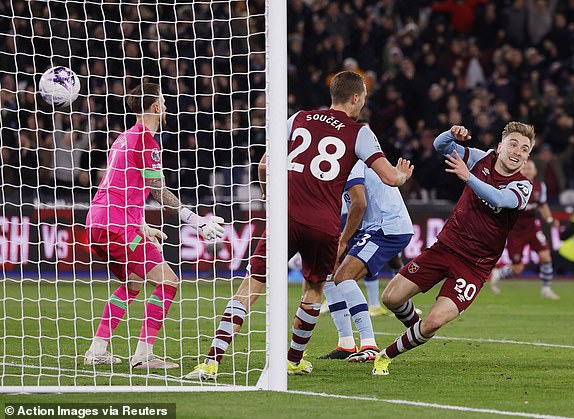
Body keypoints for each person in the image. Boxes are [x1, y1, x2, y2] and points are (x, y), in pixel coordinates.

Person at [185, 71, 414, 380]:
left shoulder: (300, 118)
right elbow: (389, 177)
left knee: (251, 285)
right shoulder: (360, 132)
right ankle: (293, 360)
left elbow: (264, 164)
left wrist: (269, 196)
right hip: (324, 222)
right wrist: (403, 176)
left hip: (286, 215)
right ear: (357, 98)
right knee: (314, 289)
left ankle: (212, 361)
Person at [373, 122, 534, 376]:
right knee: (390, 298)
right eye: (513, 144)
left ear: (527, 157)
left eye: (525, 149)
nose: (518, 152)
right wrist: (451, 134)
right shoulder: (484, 159)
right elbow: (441, 146)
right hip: (445, 247)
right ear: (500, 147)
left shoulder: (523, 186)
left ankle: (385, 356)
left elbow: (500, 199)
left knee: (435, 321)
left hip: (475, 266)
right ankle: (417, 328)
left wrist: (468, 177)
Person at [84, 82, 225, 369]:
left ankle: (97, 350)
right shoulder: (147, 140)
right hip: (118, 225)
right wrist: (196, 220)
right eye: (163, 101)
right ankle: (143, 355)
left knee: (133, 283)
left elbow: (121, 186)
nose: (166, 106)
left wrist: (142, 224)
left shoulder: (122, 138)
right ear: (156, 107)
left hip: (97, 222)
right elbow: (157, 189)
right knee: (169, 282)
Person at [319, 159, 414, 361]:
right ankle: (345, 343)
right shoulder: (351, 156)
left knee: (344, 276)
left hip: (385, 228)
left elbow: (359, 202)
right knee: (327, 269)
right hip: (371, 225)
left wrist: (343, 241)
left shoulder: (351, 159)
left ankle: (369, 344)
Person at [489, 159, 560, 299]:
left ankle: (546, 288)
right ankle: (498, 273)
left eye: (530, 168)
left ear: (535, 171)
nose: (527, 170)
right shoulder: (512, 186)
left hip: (532, 228)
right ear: (519, 170)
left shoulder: (540, 187)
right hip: (515, 232)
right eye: (524, 168)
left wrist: (550, 220)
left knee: (546, 257)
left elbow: (543, 206)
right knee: (517, 268)